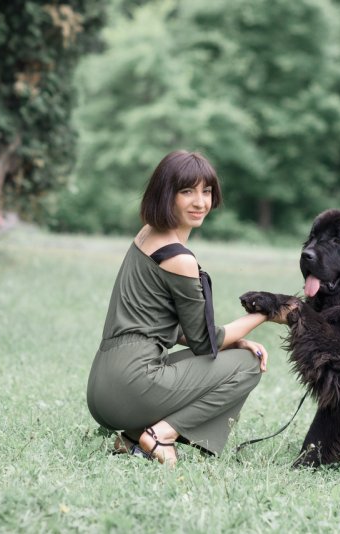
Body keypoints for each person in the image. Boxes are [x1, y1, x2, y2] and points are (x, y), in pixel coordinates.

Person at [86, 150, 269, 465]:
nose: (200, 202)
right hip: (132, 385)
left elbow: (181, 331)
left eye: (206, 191)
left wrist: (235, 340)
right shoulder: (179, 258)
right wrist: (266, 313)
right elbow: (204, 341)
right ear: (165, 194)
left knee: (233, 353)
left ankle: (132, 437)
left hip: (103, 385)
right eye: (187, 191)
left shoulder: (146, 234)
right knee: (248, 364)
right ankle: (160, 436)